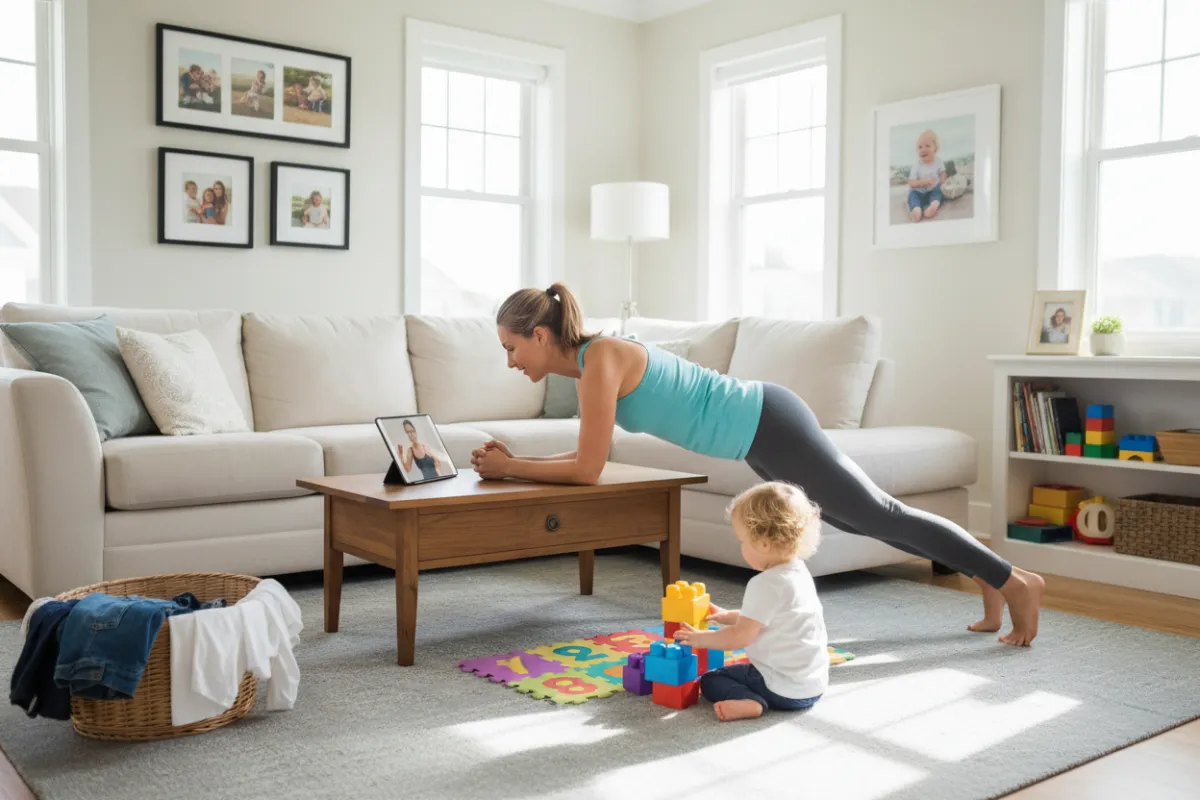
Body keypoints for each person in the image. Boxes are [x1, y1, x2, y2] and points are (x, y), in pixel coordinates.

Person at [471, 283, 1046, 646]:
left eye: (511, 348)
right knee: (856, 518)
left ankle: (1015, 581)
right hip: (758, 434)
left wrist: (510, 468)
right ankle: (988, 577)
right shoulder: (593, 365)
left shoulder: (601, 362)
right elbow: (583, 457)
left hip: (769, 419)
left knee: (877, 513)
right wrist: (515, 462)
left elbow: (588, 470)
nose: (510, 361)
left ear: (541, 335)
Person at [673, 482, 828, 721]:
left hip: (780, 688)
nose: (741, 548)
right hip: (811, 687)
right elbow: (773, 618)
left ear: (763, 544)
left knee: (711, 679)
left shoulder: (763, 584)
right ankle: (756, 698)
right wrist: (725, 615)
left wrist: (699, 639)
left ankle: (752, 702)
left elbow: (739, 637)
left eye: (743, 541)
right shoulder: (798, 572)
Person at [907, 129, 946, 222]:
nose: (923, 149)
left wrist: (943, 182)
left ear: (936, 149)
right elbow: (911, 183)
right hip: (918, 192)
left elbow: (942, 173)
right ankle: (916, 210)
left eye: (927, 146)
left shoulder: (938, 161)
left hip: (932, 190)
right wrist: (923, 183)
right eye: (920, 147)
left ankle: (933, 206)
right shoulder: (917, 165)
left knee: (937, 192)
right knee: (912, 196)